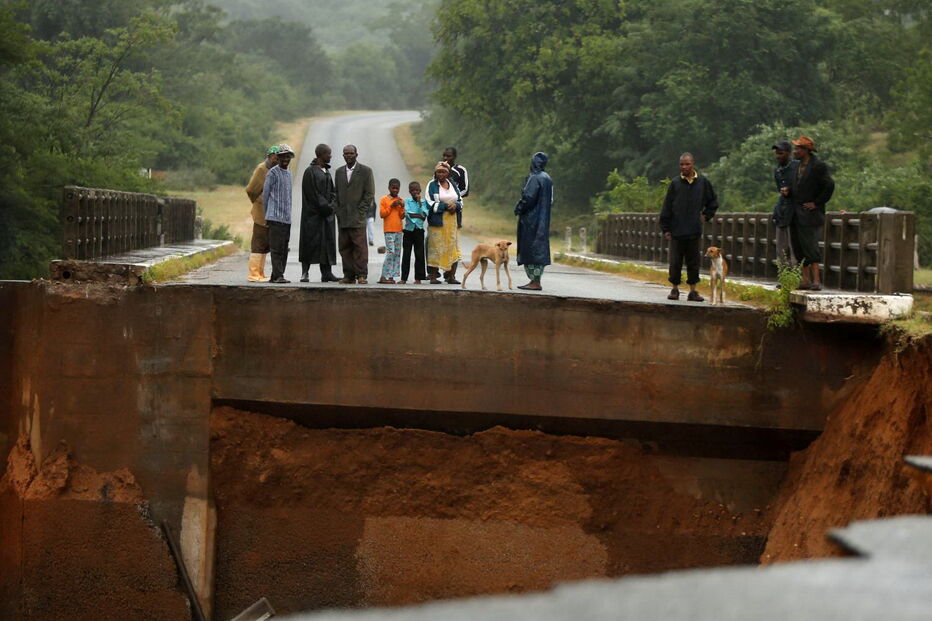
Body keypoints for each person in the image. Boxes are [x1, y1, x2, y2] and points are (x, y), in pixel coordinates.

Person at [659, 152, 719, 302]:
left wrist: (706, 215)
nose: (684, 167)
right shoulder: (675, 184)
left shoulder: (702, 182)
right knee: (675, 261)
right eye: (681, 164)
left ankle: (693, 291)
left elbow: (713, 202)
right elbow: (667, 207)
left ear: (693, 164)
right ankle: (674, 289)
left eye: (687, 164)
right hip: (677, 229)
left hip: (693, 229)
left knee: (693, 261)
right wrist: (666, 228)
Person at [788, 135, 834, 291]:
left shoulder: (818, 166)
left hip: (809, 214)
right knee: (798, 247)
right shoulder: (795, 166)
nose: (795, 151)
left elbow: (829, 185)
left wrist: (817, 203)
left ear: (806, 150)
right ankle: (805, 280)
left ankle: (816, 280)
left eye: (798, 148)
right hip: (795, 213)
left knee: (811, 246)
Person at [334, 144, 375, 284]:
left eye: (351, 153)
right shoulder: (339, 172)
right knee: (344, 247)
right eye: (346, 153)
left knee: (360, 247)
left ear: (356, 154)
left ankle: (361, 275)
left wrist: (361, 211)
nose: (348, 155)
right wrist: (337, 210)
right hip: (343, 218)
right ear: (343, 155)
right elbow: (335, 194)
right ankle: (349, 275)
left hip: (358, 218)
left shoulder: (365, 171)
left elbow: (369, 194)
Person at [299, 143, 340, 283]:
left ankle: (326, 273)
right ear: (321, 154)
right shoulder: (310, 171)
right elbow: (312, 193)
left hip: (327, 215)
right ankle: (305, 272)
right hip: (313, 215)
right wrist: (325, 206)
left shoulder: (327, 171)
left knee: (327, 243)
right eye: (328, 153)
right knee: (309, 243)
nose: (331, 156)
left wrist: (332, 205)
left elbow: (333, 191)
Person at [514, 152, 553, 291]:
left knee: (530, 248)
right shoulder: (548, 179)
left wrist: (519, 208)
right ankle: (536, 280)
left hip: (531, 220)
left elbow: (528, 198)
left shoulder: (535, 178)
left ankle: (534, 281)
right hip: (543, 219)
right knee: (539, 249)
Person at [244, 145, 279, 282]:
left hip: (269, 213)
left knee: (265, 244)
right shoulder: (261, 169)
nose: (278, 159)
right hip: (261, 212)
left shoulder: (274, 169)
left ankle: (260, 273)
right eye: (276, 157)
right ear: (270, 156)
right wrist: (259, 201)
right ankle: (253, 274)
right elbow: (251, 190)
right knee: (258, 243)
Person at [262, 144, 296, 284]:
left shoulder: (289, 174)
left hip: (286, 218)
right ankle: (278, 275)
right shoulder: (272, 173)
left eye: (288, 157)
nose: (285, 159)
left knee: (284, 248)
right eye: (282, 157)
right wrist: (267, 215)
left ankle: (275, 275)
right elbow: (265, 195)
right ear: (278, 158)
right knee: (276, 248)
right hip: (274, 217)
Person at [426, 161, 462, 284]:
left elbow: (460, 200)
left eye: (444, 172)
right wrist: (445, 206)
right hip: (437, 221)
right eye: (439, 172)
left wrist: (456, 206)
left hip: (452, 221)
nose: (441, 174)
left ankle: (450, 275)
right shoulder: (432, 185)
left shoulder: (452, 184)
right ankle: (433, 276)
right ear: (435, 173)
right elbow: (429, 202)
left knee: (452, 247)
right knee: (435, 247)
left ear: (448, 173)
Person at [772, 141, 797, 268]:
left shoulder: (797, 167)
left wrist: (791, 190)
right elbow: (779, 188)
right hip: (782, 211)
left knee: (794, 248)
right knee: (781, 248)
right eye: (776, 154)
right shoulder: (777, 170)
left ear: (788, 153)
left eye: (781, 153)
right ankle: (784, 276)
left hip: (796, 211)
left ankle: (796, 277)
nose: (778, 156)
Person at [378, 178, 405, 284]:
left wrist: (402, 208)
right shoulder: (384, 199)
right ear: (389, 188)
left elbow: (402, 216)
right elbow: (382, 214)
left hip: (398, 230)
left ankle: (391, 277)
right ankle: (383, 276)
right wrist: (391, 206)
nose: (395, 190)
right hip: (389, 230)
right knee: (391, 252)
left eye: (397, 188)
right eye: (393, 188)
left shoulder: (401, 200)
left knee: (397, 254)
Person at [401, 180, 429, 284]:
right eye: (412, 190)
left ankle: (418, 278)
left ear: (420, 191)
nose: (415, 192)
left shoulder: (423, 202)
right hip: (408, 231)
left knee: (419, 254)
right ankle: (403, 278)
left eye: (417, 190)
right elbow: (408, 213)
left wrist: (419, 205)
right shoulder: (407, 201)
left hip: (419, 231)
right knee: (406, 254)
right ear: (409, 191)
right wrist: (419, 216)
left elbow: (425, 215)